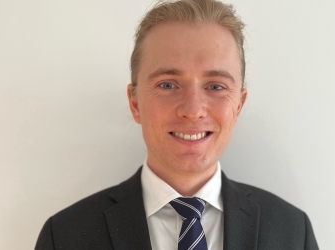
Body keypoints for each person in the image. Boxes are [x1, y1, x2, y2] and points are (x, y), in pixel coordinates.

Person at [35, 0, 319, 249]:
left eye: (216, 86)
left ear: (238, 107)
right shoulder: (64, 236)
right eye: (168, 84)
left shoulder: (293, 231)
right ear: (135, 103)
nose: (193, 110)